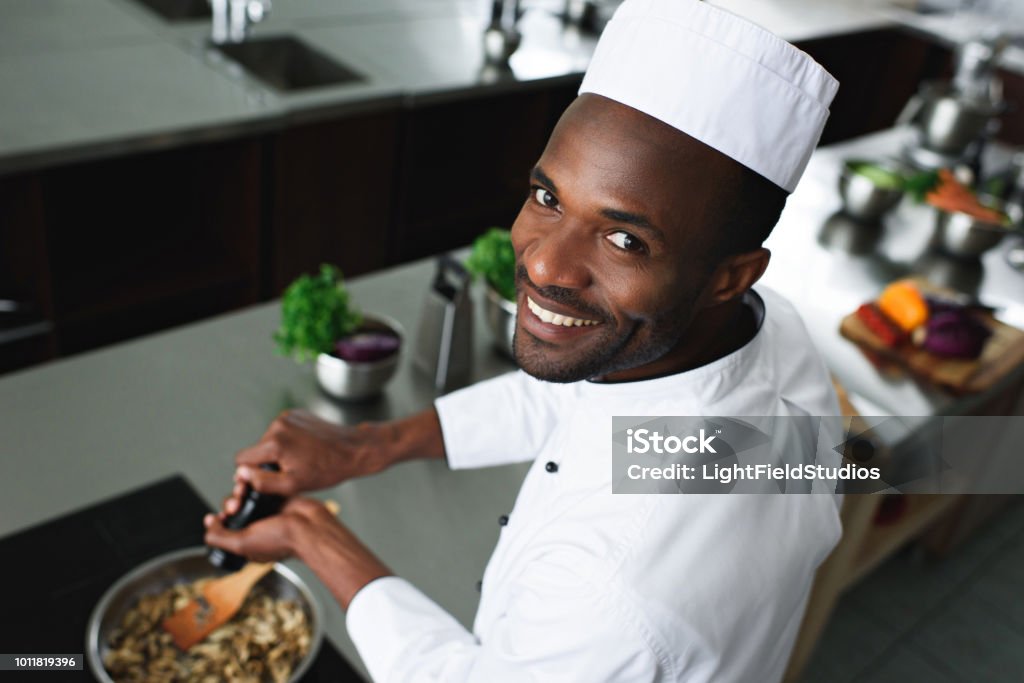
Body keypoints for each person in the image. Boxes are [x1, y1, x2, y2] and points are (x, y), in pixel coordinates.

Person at [206, 1, 843, 680]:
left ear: (730, 274)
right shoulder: (752, 334)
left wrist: (314, 533)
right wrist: (371, 445)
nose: (543, 264)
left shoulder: (618, 588)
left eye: (626, 239)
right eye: (548, 197)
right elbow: (587, 409)